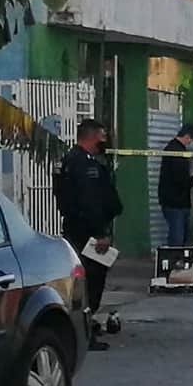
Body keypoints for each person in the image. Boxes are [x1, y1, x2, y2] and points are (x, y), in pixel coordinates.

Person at [54, 119, 124, 351]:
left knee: (84, 281)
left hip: (74, 230)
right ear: (92, 137)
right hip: (88, 235)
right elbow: (90, 202)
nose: (105, 141)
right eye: (102, 136)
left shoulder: (69, 160)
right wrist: (100, 233)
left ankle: (85, 327)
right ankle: (85, 335)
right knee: (91, 283)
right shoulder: (85, 165)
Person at [158, 124, 193, 246]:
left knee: (181, 235)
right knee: (177, 237)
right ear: (187, 137)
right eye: (192, 140)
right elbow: (179, 177)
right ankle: (174, 256)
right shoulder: (176, 151)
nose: (191, 143)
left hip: (175, 200)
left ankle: (176, 255)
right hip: (175, 201)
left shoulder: (174, 148)